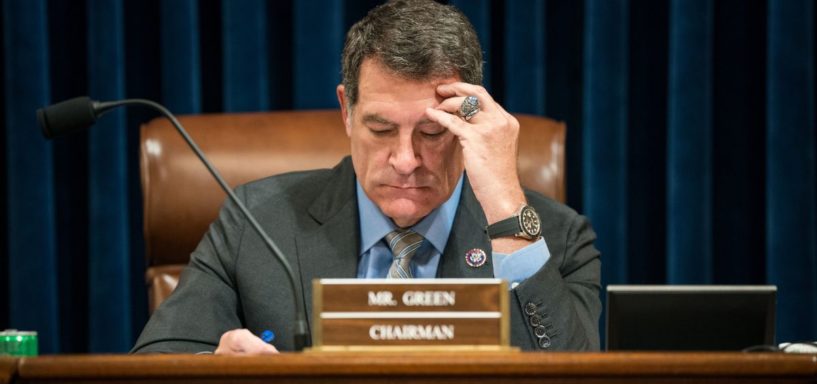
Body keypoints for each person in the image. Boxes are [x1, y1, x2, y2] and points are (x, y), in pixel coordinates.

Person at [132, 0, 600, 354]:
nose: (404, 160)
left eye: (432, 131)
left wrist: (505, 208)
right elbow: (156, 363)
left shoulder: (556, 239)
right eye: (380, 129)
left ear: (470, 125)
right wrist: (216, 372)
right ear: (347, 112)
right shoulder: (255, 221)